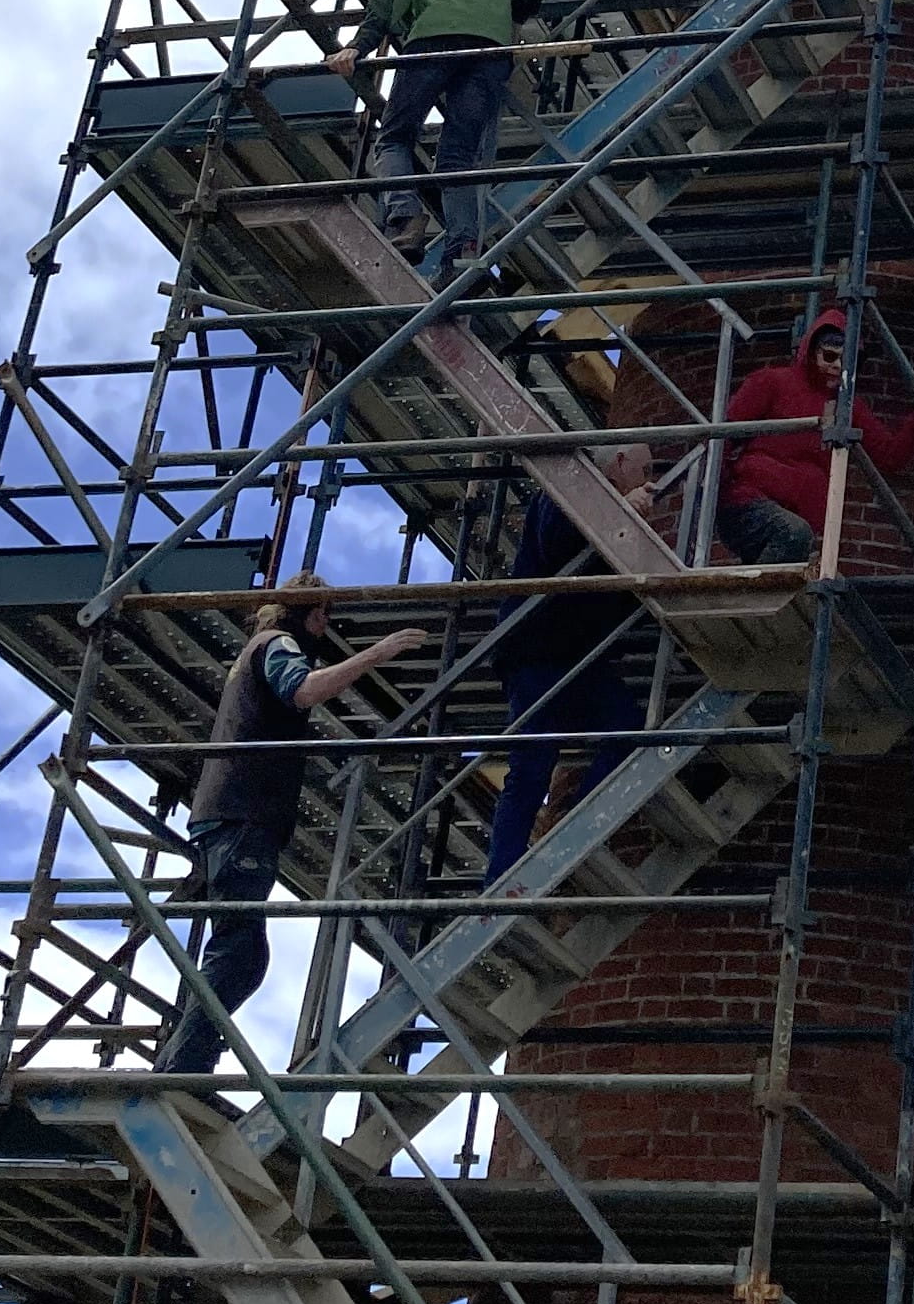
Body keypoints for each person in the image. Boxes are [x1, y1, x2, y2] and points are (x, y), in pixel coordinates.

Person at [156, 583, 428, 1073]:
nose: (326, 625)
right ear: (306, 612)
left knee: (243, 954)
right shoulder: (279, 644)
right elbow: (303, 691)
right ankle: (180, 1068)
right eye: (324, 614)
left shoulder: (254, 650)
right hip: (243, 813)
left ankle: (185, 1059)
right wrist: (379, 652)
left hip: (230, 812)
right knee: (237, 951)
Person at [332, 0, 555, 272]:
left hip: (435, 41)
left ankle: (404, 219)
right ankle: (464, 251)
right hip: (491, 50)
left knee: (394, 137)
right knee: (457, 157)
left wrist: (359, 46)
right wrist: (519, 5)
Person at [483, 445, 657, 884]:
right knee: (532, 764)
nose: (649, 478)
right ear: (619, 463)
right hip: (538, 650)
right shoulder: (569, 488)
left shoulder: (605, 502)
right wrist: (619, 513)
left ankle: (570, 826)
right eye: (645, 469)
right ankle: (499, 880)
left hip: (581, 655)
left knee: (626, 729)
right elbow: (560, 548)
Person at [715, 308, 914, 565]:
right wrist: (714, 491)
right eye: (830, 356)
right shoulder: (772, 382)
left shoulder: (849, 407)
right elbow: (725, 433)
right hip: (750, 500)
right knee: (793, 535)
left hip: (796, 514)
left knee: (789, 547)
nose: (836, 366)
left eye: (846, 362)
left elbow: (889, 456)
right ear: (812, 351)